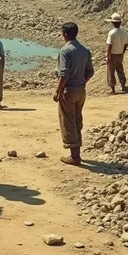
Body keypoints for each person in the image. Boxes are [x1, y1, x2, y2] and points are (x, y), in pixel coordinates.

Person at [54, 22, 94, 166]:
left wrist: (58, 90)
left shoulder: (65, 51)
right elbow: (90, 72)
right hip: (81, 90)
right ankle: (77, 151)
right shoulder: (84, 50)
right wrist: (82, 82)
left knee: (68, 121)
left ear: (65, 34)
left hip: (69, 89)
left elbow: (64, 73)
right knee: (77, 119)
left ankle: (74, 156)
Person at [106, 12, 128, 94]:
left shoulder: (111, 33)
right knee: (120, 69)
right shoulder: (124, 33)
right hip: (120, 54)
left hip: (112, 54)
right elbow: (126, 44)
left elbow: (109, 45)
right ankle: (123, 85)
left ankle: (112, 89)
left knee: (111, 71)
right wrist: (123, 51)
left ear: (112, 23)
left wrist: (108, 56)